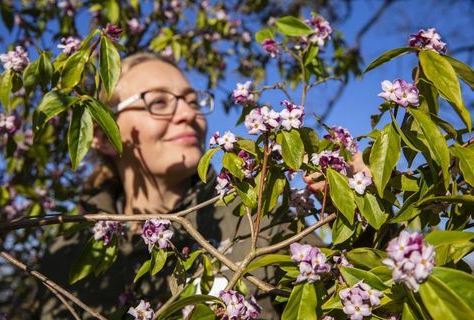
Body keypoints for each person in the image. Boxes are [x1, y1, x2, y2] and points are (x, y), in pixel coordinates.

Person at [37, 52, 324, 319]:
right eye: (159, 102)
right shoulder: (66, 257)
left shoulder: (259, 212)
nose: (190, 115)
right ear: (103, 135)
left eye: (193, 101)